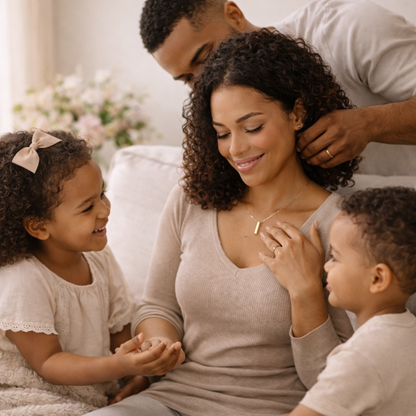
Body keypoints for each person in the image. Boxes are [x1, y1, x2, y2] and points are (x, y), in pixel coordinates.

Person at [87, 29, 359, 416]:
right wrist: (158, 349)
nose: (236, 149)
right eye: (221, 133)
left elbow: (337, 384)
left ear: (296, 113)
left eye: (252, 128)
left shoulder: (340, 224)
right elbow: (158, 306)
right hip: (174, 397)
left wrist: (305, 294)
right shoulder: (191, 200)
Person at [0, 129, 184, 415]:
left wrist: (135, 371)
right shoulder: (24, 278)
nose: (105, 210)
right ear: (39, 226)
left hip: (94, 387)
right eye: (87, 207)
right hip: (32, 390)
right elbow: (48, 363)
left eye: (102, 194)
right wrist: (118, 365)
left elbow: (119, 328)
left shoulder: (98, 256)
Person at [139, 0, 416, 176]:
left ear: (234, 15)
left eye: (204, 58)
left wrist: (369, 124)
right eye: (188, 79)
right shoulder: (220, 120)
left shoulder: (344, 28)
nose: (204, 84)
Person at [276, 187, 416, 416]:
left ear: (377, 278)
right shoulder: (407, 334)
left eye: (335, 258)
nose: (326, 266)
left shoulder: (359, 358)